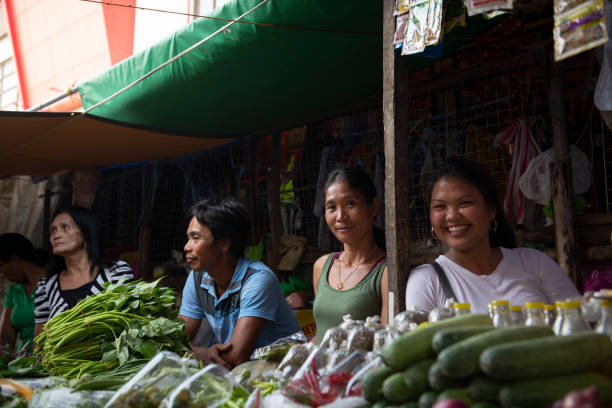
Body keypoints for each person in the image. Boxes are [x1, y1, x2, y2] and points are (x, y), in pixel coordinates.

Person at [405, 157, 580, 314]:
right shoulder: (427, 280)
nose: (451, 216)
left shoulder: (534, 262)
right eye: (440, 207)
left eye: (465, 203)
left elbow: (579, 323)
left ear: (491, 210)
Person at [178, 198, 301, 369]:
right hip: (244, 373)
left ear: (224, 243)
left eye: (195, 238)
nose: (186, 247)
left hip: (283, 372)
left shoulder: (257, 280)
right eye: (188, 238)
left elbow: (235, 357)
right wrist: (203, 353)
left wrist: (196, 353)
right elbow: (176, 340)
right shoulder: (197, 278)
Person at [312, 166, 388, 343]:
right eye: (331, 207)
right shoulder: (322, 266)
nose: (340, 216)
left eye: (350, 204)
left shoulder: (385, 272)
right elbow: (321, 335)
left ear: (373, 206)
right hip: (318, 369)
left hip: (359, 370)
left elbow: (386, 343)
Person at [34, 206, 134, 337]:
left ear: (85, 232)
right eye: (53, 230)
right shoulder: (46, 286)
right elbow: (40, 341)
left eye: (65, 227)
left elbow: (130, 321)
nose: (56, 235)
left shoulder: (117, 272)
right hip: (60, 357)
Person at [0, 233, 46, 353]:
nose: (2, 274)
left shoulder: (55, 284)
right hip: (23, 365)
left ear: (15, 260)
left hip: (50, 362)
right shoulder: (14, 290)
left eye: (1, 266)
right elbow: (5, 340)